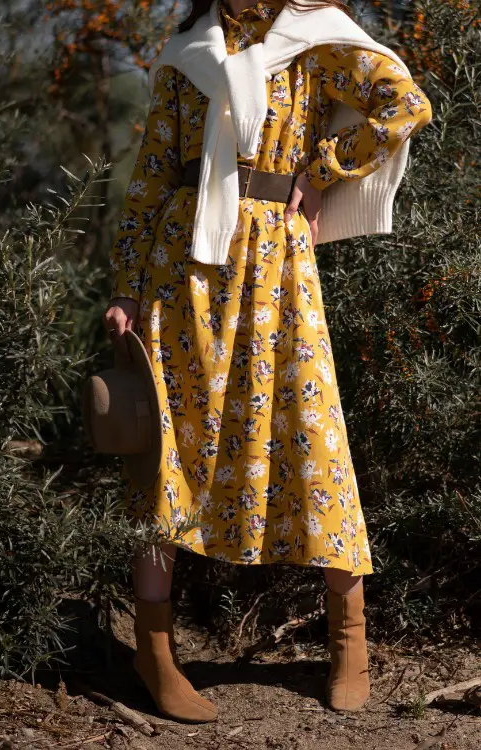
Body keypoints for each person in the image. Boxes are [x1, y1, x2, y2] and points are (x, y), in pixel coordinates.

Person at [104, 0, 433, 724]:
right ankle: (153, 652)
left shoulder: (315, 38)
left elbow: (405, 103)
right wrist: (126, 284)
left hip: (280, 263)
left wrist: (324, 169)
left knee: (315, 439)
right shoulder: (187, 49)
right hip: (182, 266)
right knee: (170, 451)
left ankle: (352, 641)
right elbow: (151, 174)